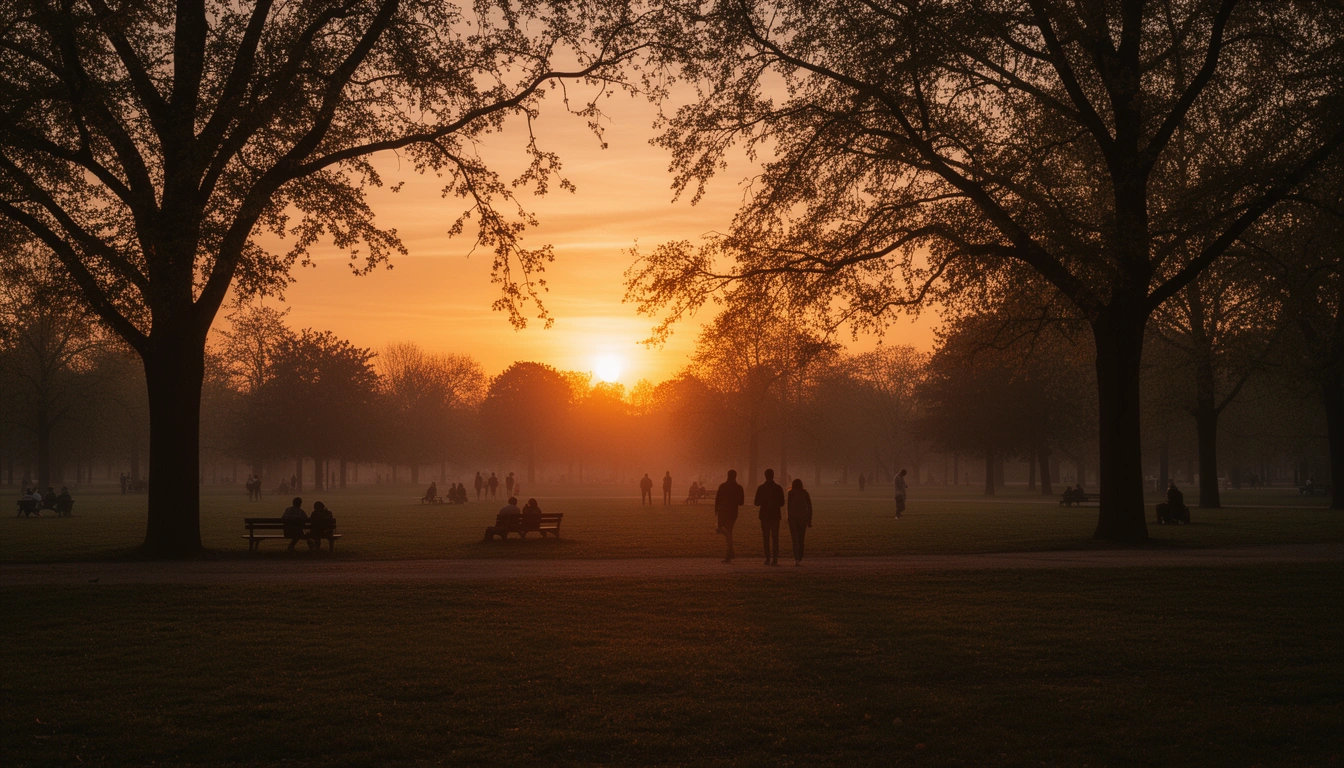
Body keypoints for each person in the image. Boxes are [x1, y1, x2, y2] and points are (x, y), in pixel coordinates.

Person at [754, 469, 785, 566]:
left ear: (765, 476)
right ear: (773, 475)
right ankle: (775, 558)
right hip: (775, 515)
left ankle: (767, 557)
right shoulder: (778, 488)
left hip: (764, 515)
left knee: (766, 537)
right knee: (775, 538)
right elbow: (782, 503)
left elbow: (756, 502)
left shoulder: (761, 488)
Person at [714, 470, 745, 563]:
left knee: (724, 531)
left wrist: (716, 509)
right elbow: (741, 502)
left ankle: (729, 554)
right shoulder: (739, 488)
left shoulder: (722, 486)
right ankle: (730, 551)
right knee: (728, 531)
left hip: (723, 511)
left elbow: (717, 499)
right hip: (732, 512)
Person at [787, 478, 813, 566]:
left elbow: (788, 506)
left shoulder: (791, 493)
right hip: (803, 518)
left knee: (795, 539)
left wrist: (788, 517)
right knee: (801, 538)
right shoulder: (805, 493)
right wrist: (809, 519)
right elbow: (809, 506)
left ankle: (796, 558)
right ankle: (800, 556)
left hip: (793, 518)